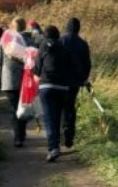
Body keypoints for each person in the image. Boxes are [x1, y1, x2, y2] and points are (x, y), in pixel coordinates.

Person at [33, 25, 76, 162]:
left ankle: (53, 148)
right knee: (59, 116)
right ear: (58, 36)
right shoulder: (65, 49)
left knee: (50, 119)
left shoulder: (42, 48)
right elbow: (72, 68)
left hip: (46, 87)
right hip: (63, 88)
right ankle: (62, 140)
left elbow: (37, 71)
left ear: (45, 36)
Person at [0, 17, 34, 147]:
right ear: (24, 26)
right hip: (26, 79)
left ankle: (18, 137)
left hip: (9, 79)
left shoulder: (5, 40)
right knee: (24, 106)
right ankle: (22, 133)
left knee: (14, 108)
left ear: (13, 27)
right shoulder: (29, 40)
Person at [60, 17, 91, 149]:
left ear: (67, 27)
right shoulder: (82, 43)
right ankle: (69, 134)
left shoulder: (60, 40)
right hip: (75, 81)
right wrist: (84, 78)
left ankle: (60, 132)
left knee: (59, 106)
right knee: (70, 107)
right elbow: (87, 64)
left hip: (60, 80)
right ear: (79, 28)